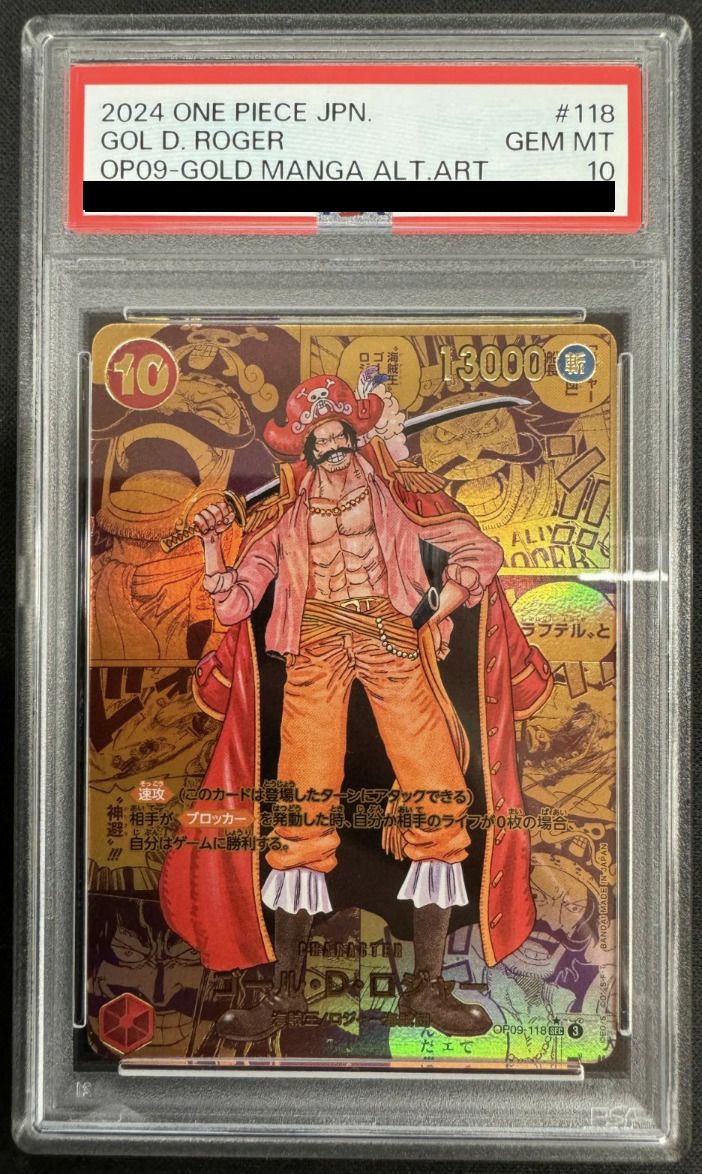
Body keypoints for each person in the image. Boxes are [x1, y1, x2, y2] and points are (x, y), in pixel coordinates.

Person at [159, 373, 553, 1041]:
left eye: (341, 431)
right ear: (305, 447)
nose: (333, 444)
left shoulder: (398, 495)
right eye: (320, 436)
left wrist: (439, 607)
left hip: (389, 638)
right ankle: (285, 993)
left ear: (354, 435)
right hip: (313, 647)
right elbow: (233, 603)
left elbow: (480, 550)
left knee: (438, 796)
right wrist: (210, 544)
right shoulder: (280, 519)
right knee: (301, 810)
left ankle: (426, 989)